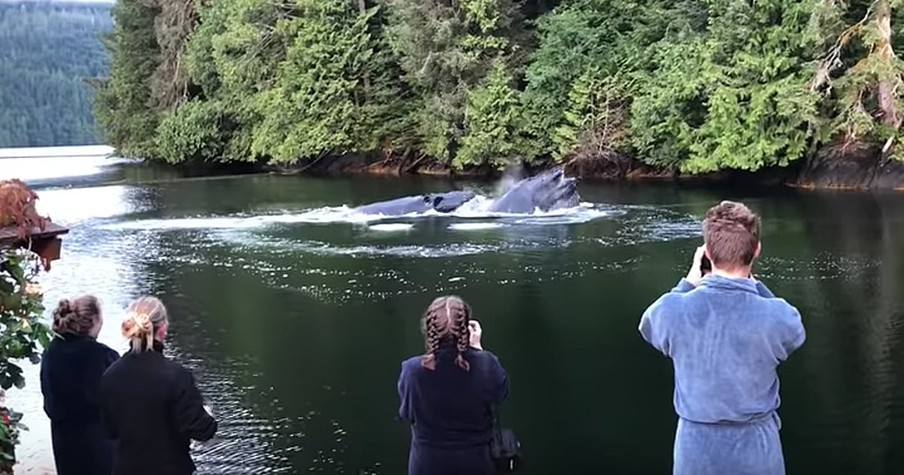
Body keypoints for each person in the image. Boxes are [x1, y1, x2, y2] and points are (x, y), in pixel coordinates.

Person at [638, 200, 806, 475]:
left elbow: (648, 325)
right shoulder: (778, 315)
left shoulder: (672, 311)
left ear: (707, 254)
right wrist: (756, 286)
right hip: (757, 449)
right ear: (756, 250)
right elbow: (793, 331)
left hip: (696, 450)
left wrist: (689, 282)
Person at [99, 296, 217, 475]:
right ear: (162, 329)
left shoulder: (110, 375)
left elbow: (109, 430)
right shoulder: (176, 376)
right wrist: (208, 416)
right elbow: (201, 430)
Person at [397, 295, 509, 475]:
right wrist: (478, 349)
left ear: (428, 329)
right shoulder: (486, 363)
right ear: (466, 331)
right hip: (478, 463)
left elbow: (407, 414)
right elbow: (500, 394)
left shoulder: (412, 371)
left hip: (427, 464)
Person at [40, 295, 120, 475]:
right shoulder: (103, 356)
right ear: (94, 321)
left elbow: (48, 401)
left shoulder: (51, 352)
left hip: (64, 441)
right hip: (100, 444)